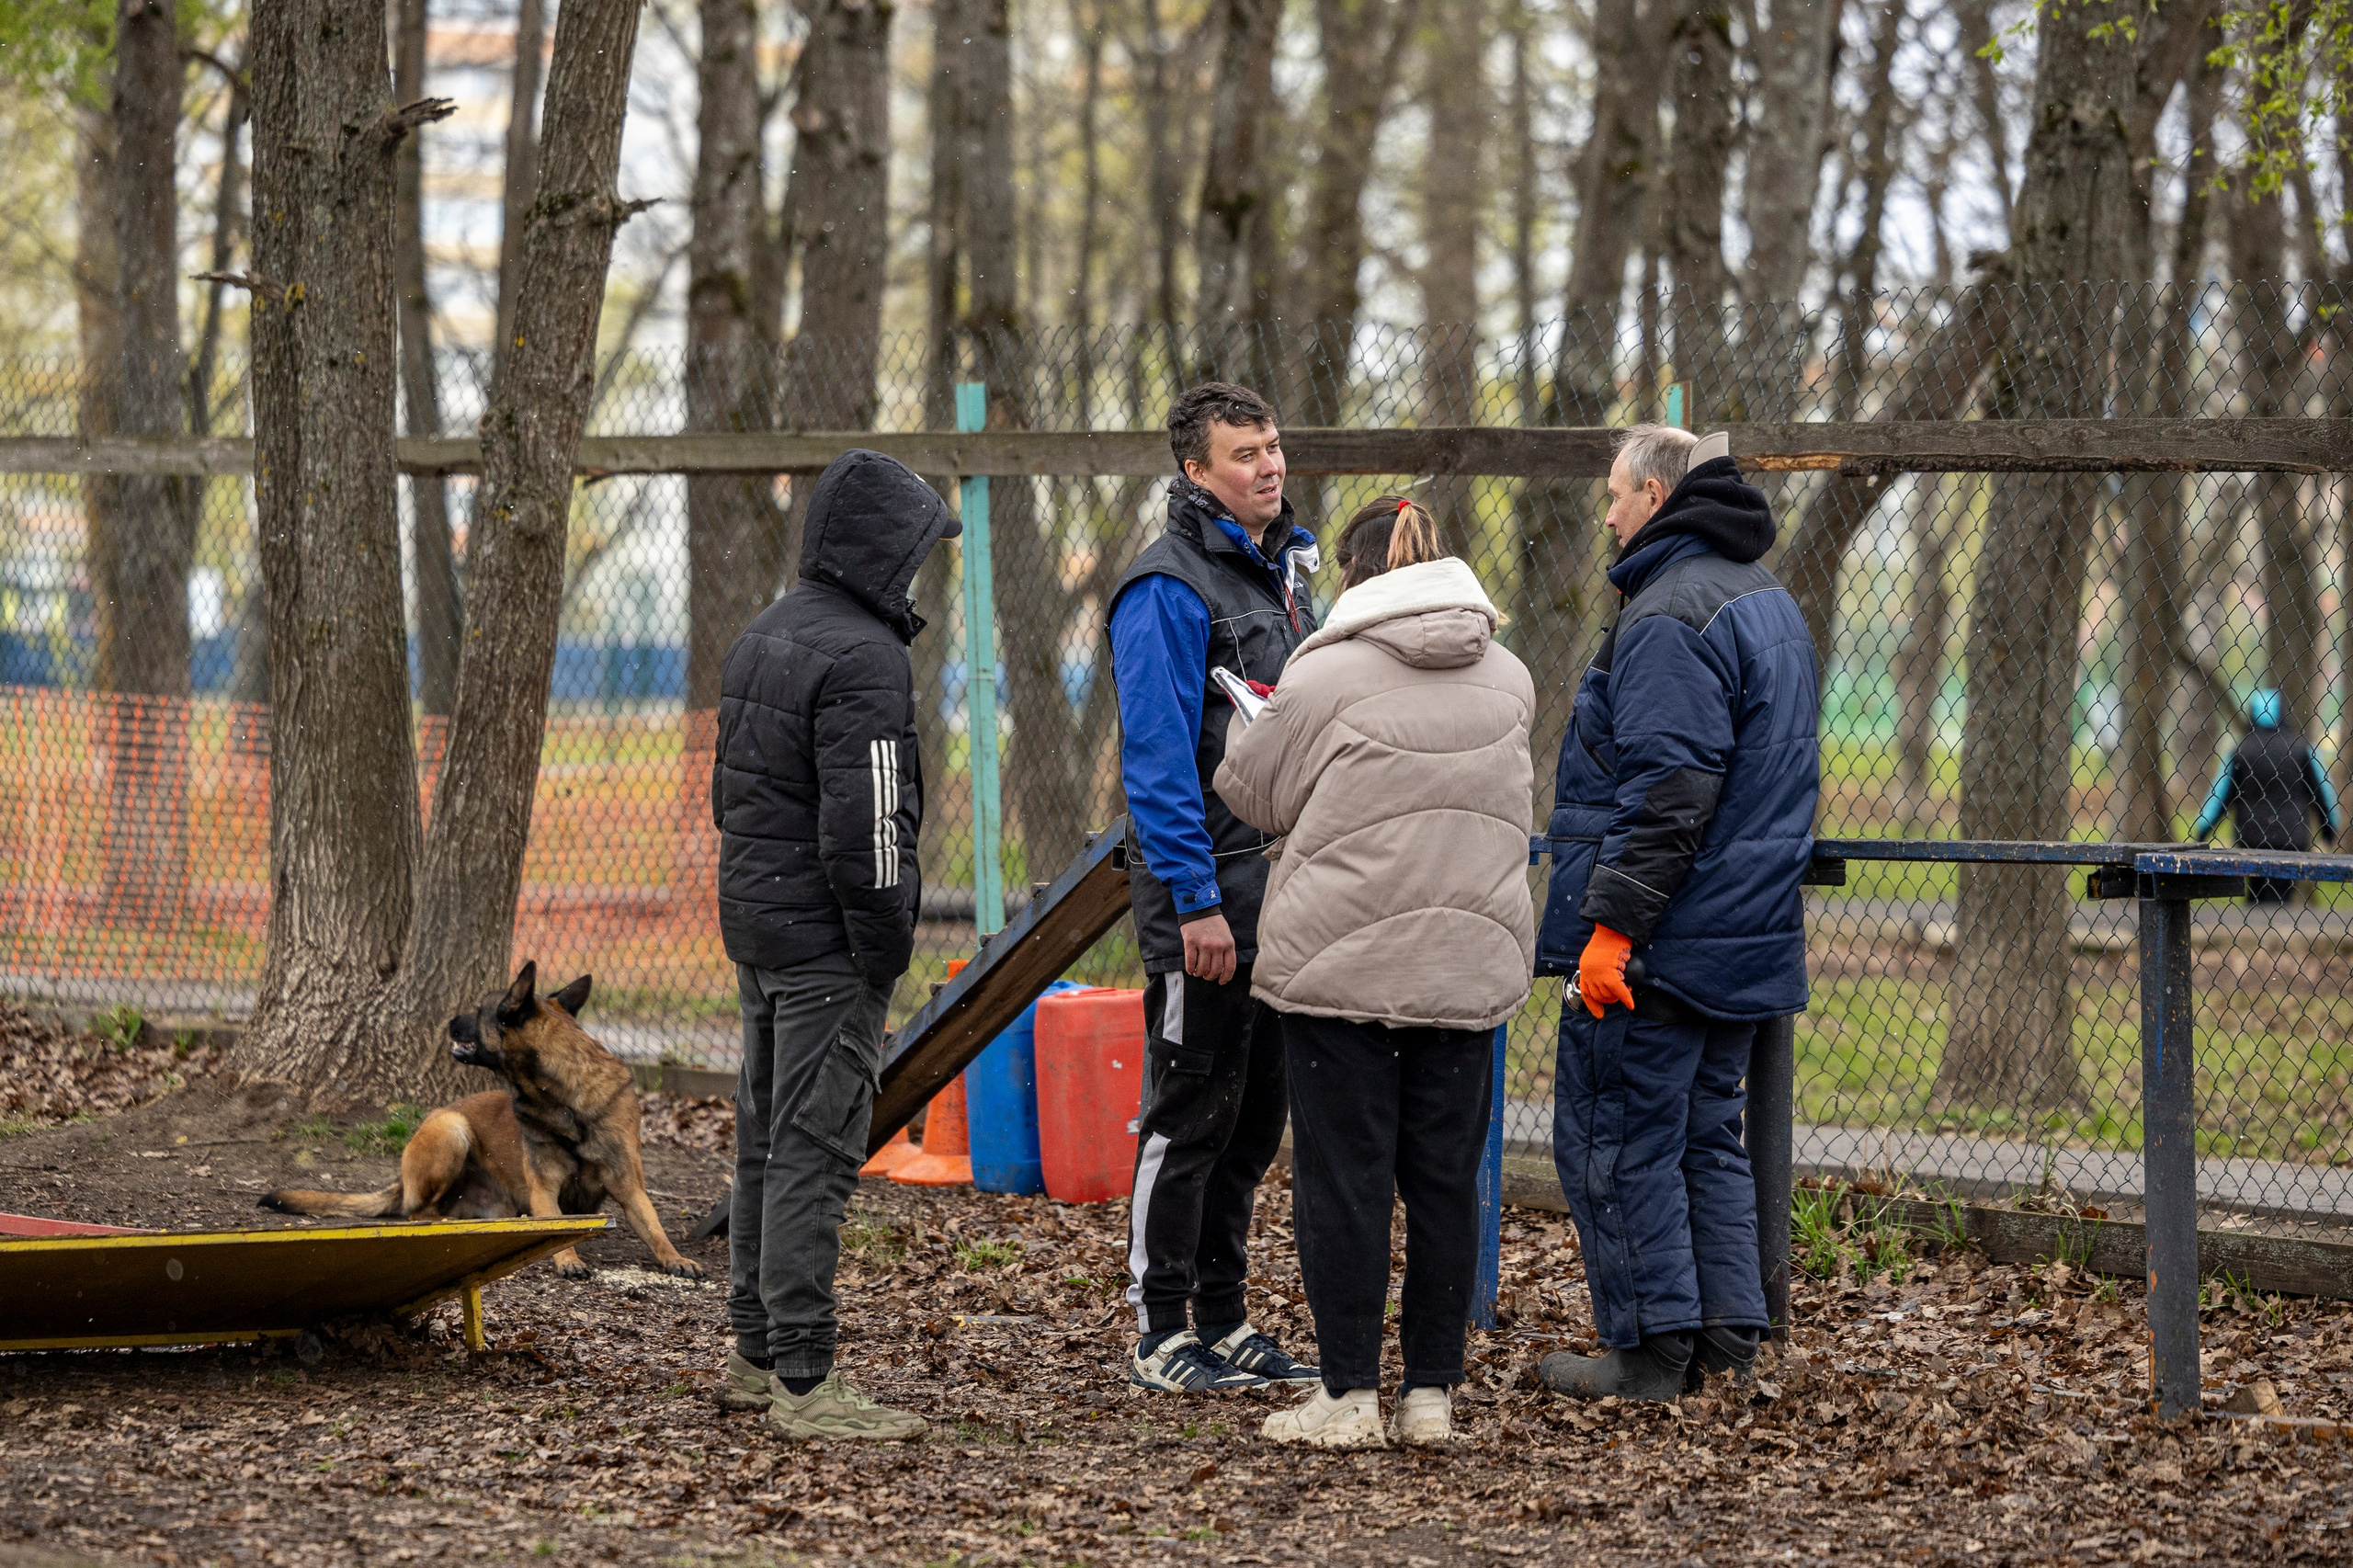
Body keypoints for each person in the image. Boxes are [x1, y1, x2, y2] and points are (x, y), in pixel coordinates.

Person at [1214, 498, 1536, 1449]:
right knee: (1444, 1181)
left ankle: (1348, 1393)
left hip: (1340, 964)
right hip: (1469, 962)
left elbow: (1250, 788)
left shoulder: (1324, 670)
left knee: (1344, 1180)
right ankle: (1431, 1394)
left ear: (1351, 578)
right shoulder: (1510, 675)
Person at [1533, 426, 1820, 1402]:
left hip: (1662, 938)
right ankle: (1724, 1341)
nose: (1606, 514)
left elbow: (1667, 790)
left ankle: (1650, 1350)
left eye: (1614, 495)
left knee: (1618, 1135)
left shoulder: (1666, 614)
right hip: (1743, 930)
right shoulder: (1765, 599)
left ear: (1654, 493)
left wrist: (1610, 931)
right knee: (1704, 1134)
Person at [709, 449, 959, 1440]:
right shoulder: (866, 657)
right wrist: (883, 943)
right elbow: (872, 830)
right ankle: (806, 1382)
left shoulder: (762, 633)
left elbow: (730, 798)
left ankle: (753, 1352)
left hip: (760, 926)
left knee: (766, 1140)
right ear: (878, 548)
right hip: (826, 943)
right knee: (812, 1149)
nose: (918, 571)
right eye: (913, 551)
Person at [1108, 381, 1324, 1393]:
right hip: (1206, 906)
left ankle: (1224, 1314)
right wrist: (1195, 901)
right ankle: (1161, 1329)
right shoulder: (1166, 585)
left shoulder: (1286, 573)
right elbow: (1157, 761)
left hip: (1285, 897)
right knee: (1191, 1110)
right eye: (1244, 454)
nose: (1268, 466)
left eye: (1273, 446)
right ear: (1195, 471)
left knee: (1255, 1117)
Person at [2192, 688, 2340, 903]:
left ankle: (2253, 930)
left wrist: (2202, 830)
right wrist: (2329, 831)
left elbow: (2220, 794)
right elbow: (2323, 793)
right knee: (2282, 894)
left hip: (2252, 838)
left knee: (2256, 894)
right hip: (2292, 838)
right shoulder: (2301, 749)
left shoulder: (2241, 751)